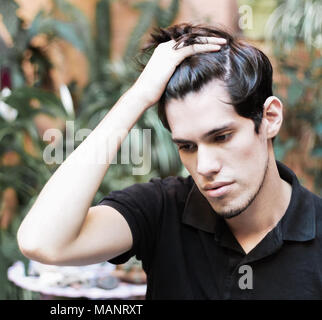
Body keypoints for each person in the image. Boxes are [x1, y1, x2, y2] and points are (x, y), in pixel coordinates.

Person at [17, 23, 322, 299]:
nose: (204, 166)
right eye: (187, 146)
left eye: (221, 137)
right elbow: (42, 241)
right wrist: (138, 97)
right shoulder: (162, 209)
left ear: (269, 118)